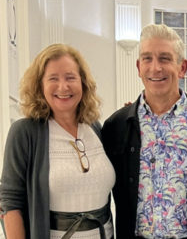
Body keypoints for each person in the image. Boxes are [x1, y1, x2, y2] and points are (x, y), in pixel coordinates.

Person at [101, 24, 187, 238]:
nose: (155, 68)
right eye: (147, 58)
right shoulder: (115, 127)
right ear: (138, 67)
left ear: (182, 67)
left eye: (165, 58)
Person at [0, 44, 115, 239]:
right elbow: (10, 201)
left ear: (83, 83)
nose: (63, 87)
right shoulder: (25, 132)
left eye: (70, 77)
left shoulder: (94, 128)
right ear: (40, 86)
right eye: (53, 78)